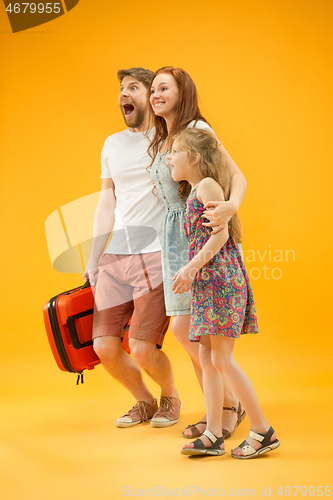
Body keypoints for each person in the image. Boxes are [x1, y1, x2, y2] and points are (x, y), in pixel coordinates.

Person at [148, 67, 247, 439]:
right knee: (189, 330)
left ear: (182, 92)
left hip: (197, 237)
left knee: (192, 330)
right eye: (153, 88)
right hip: (174, 236)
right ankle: (214, 406)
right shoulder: (163, 136)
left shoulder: (198, 131)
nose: (156, 94)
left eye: (163, 88)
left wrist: (231, 206)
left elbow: (238, 176)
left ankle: (227, 406)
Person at [170, 127, 280, 458]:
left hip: (219, 279)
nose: (169, 157)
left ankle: (262, 431)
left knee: (222, 358)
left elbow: (219, 237)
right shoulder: (193, 191)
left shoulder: (206, 186)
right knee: (207, 356)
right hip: (208, 282)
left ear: (195, 158)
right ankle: (213, 433)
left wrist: (190, 269)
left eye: (175, 151)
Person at [82, 67, 181, 428]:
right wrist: (95, 258)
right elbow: (106, 200)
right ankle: (144, 401)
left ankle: (171, 396)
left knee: (141, 346)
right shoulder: (112, 143)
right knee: (104, 346)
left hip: (156, 252)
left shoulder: (169, 136)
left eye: (133, 87)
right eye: (122, 89)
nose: (124, 94)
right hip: (116, 255)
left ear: (151, 95)